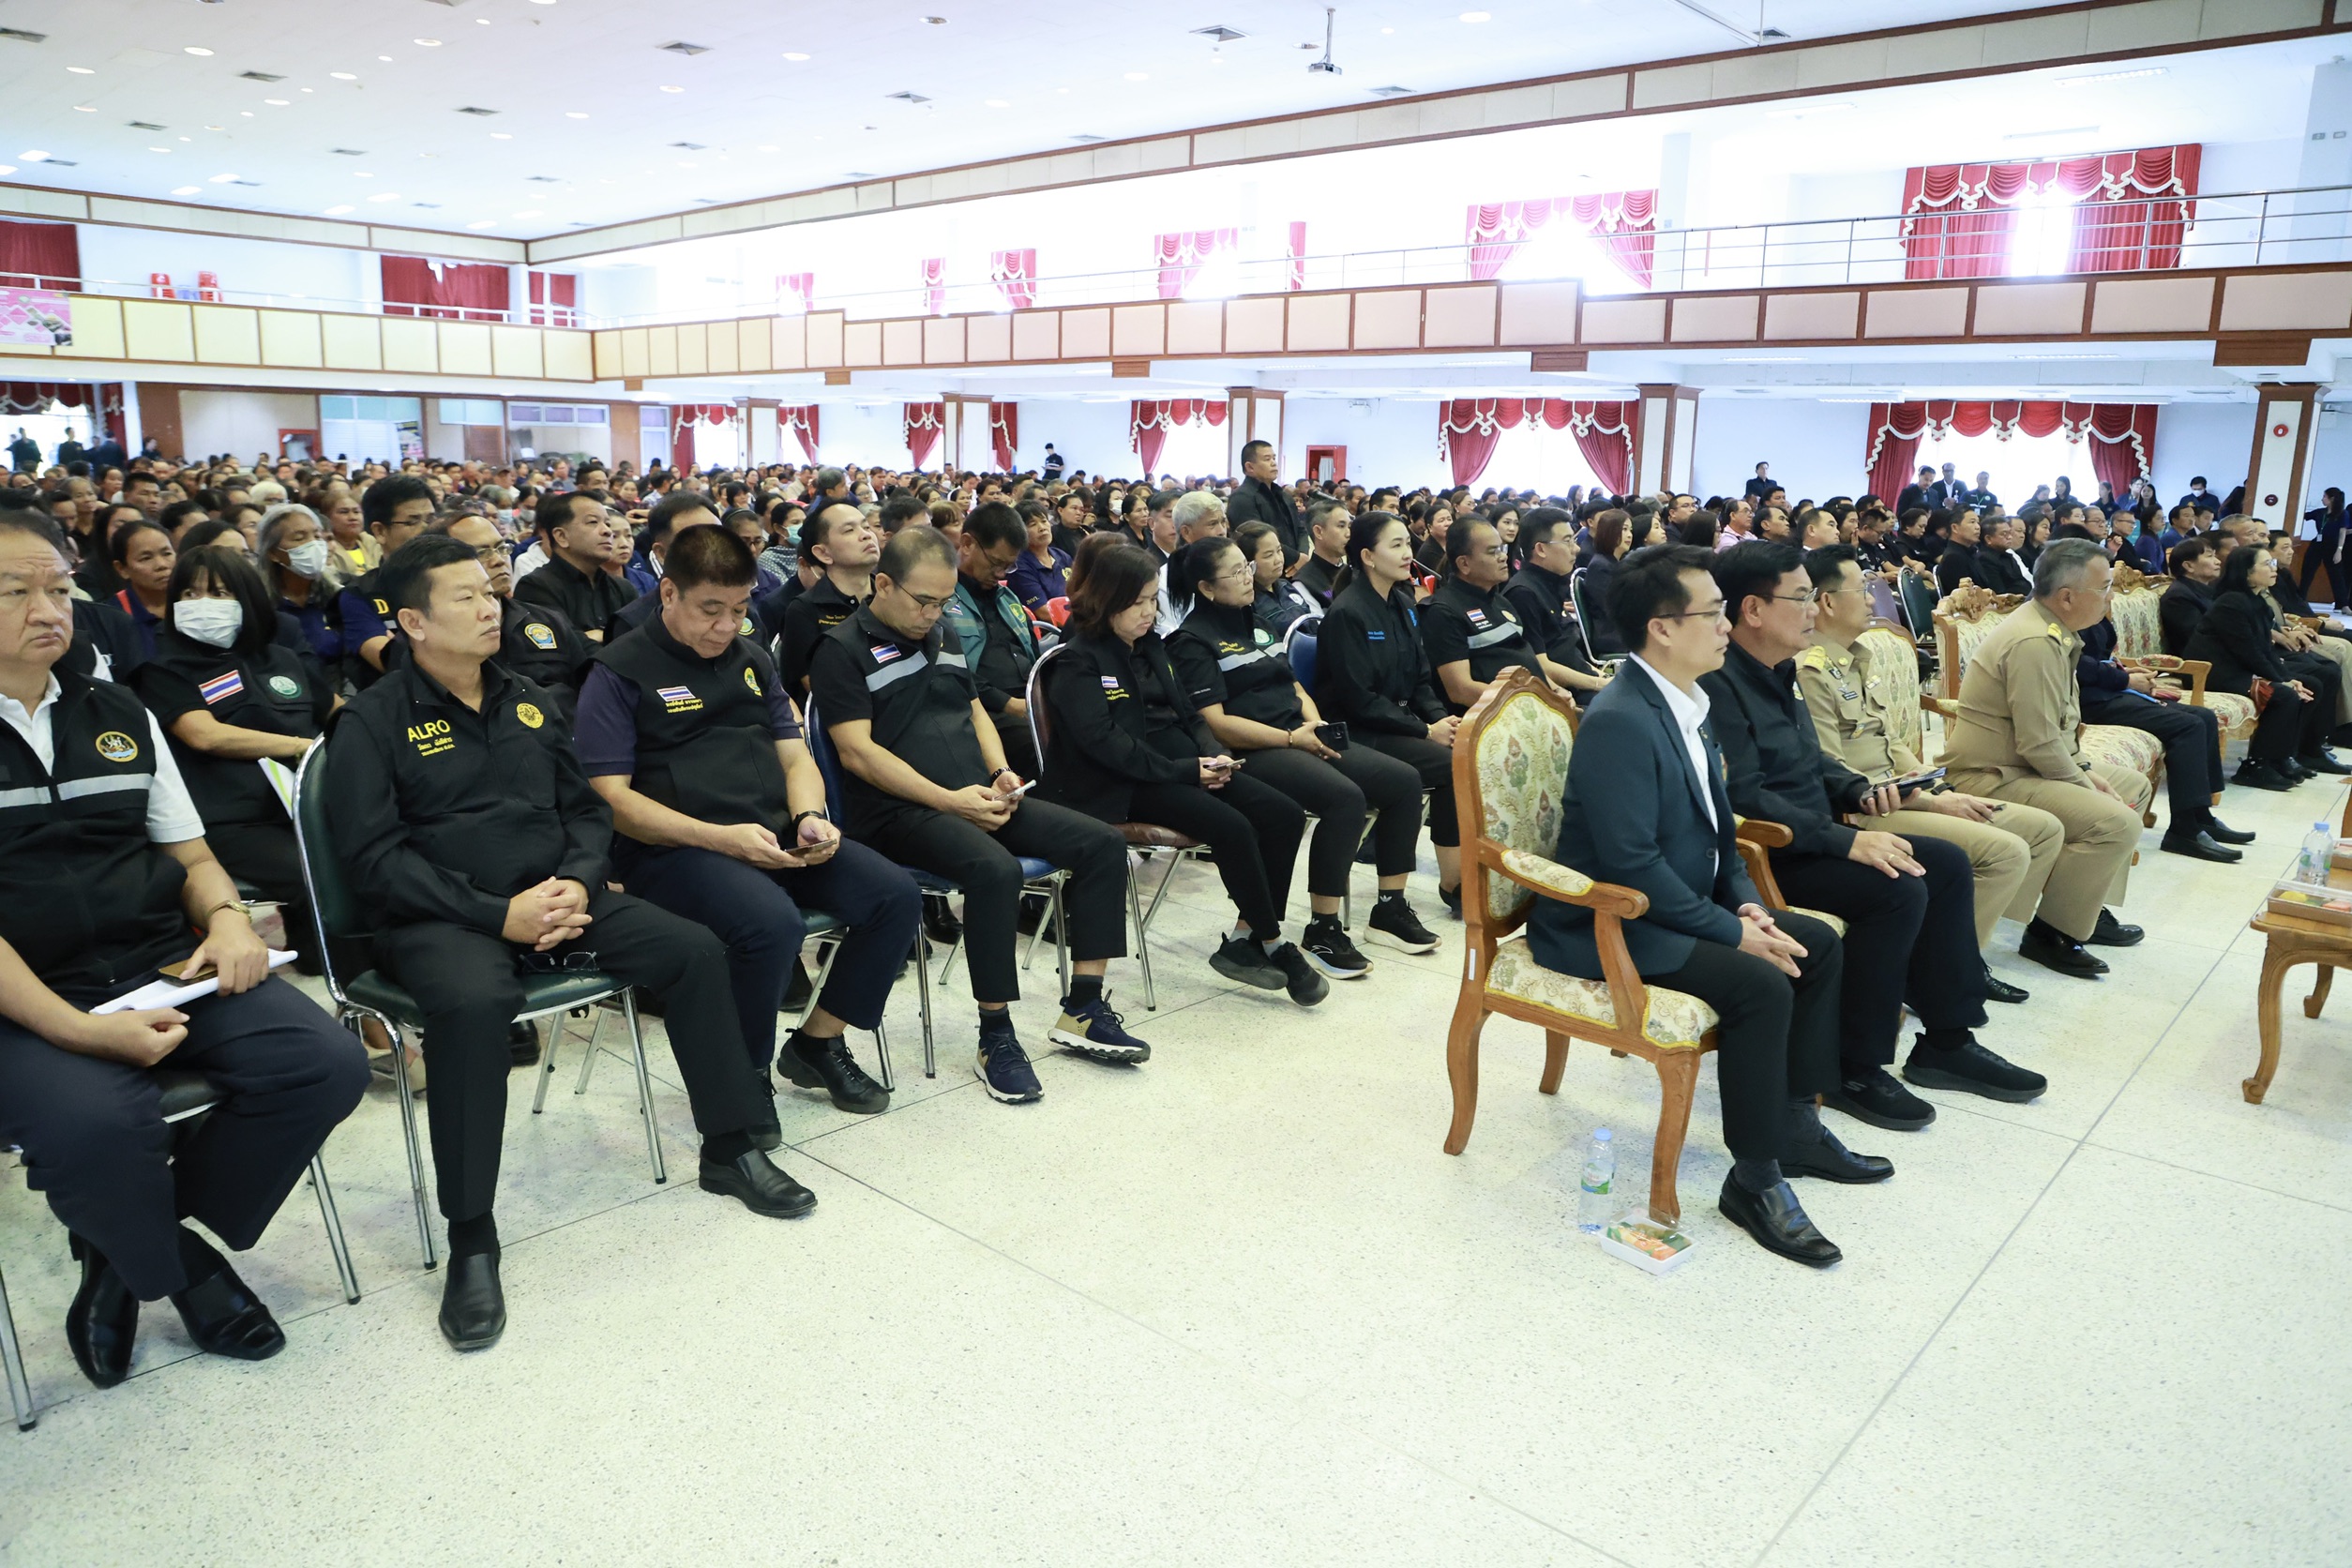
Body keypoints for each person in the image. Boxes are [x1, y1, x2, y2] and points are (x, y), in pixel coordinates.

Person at [328, 534, 812, 1352]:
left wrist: (582, 884)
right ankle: (472, 1238)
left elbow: (587, 810)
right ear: (411, 620)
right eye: (465, 598)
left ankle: (730, 1146)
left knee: (694, 953)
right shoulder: (371, 721)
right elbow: (374, 862)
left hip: (560, 899)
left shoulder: (524, 697)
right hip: (445, 921)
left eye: (490, 593)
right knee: (476, 1008)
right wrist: (498, 915)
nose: (490, 607)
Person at [0, 509, 368, 1389]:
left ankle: (125, 1243)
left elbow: (191, 854)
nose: (49, 607)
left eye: (60, 587)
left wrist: (230, 920)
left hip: (154, 960)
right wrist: (81, 1033)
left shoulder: (116, 709)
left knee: (322, 1064)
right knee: (97, 1121)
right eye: (18, 591)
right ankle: (179, 1271)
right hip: (26, 993)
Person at [1525, 542, 1863, 1265]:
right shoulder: (1622, 717)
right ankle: (1755, 1177)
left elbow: (1718, 832)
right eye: (1711, 613)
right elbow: (1630, 863)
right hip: (1605, 919)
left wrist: (1745, 907)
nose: (1723, 626)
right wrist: (1732, 937)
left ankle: (1794, 1122)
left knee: (1819, 945)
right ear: (1662, 628)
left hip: (1672, 898)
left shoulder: (1690, 700)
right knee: (1758, 985)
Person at [577, 524, 919, 1119]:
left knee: (894, 896)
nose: (725, 626)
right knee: (770, 925)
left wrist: (811, 815)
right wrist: (719, 839)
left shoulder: (752, 658)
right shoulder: (619, 670)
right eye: (710, 610)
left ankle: (818, 1042)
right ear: (668, 595)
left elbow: (795, 756)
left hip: (770, 835)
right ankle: (745, 1075)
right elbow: (612, 800)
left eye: (738, 610)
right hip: (674, 850)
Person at [1704, 542, 2036, 1130]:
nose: (1813, 610)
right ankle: (1855, 1066)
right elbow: (1744, 796)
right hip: (1764, 854)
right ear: (1753, 609)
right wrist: (1846, 842)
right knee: (1897, 887)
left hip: (1811, 834)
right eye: (1801, 598)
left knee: (1946, 863)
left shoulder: (1782, 671)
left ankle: (1947, 1041)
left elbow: (1810, 765)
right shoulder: (1719, 683)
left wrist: (1856, 787)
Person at [809, 524, 1150, 1094]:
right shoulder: (841, 651)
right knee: (996, 870)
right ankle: (995, 1035)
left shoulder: (941, 635)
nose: (933, 613)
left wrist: (999, 774)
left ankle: (1085, 1008)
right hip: (897, 812)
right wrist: (949, 801)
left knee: (1101, 843)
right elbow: (857, 753)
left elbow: (975, 712)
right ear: (883, 584)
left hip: (974, 795)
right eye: (923, 601)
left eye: (943, 602)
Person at [1039, 544, 1327, 1005]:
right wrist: (1186, 772)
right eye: (1137, 603)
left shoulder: (1151, 645)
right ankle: (1272, 942)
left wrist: (1213, 756)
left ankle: (1245, 936)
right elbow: (1108, 746)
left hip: (1184, 767)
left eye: (1154, 599)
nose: (1149, 612)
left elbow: (1191, 713)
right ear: (1108, 600)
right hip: (1121, 784)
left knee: (1285, 814)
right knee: (1232, 827)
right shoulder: (1078, 660)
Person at [1796, 544, 2065, 999]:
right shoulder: (1811, 669)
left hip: (1904, 790)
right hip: (1867, 807)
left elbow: (1888, 740)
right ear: (1826, 602)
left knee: (2042, 829)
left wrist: (1932, 783)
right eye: (1862, 590)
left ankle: (1961, 949)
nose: (1870, 600)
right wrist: (1929, 799)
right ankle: (1943, 973)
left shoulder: (1854, 657)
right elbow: (1831, 768)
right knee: (2005, 852)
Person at [1169, 536, 1437, 970]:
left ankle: (1389, 907)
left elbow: (1293, 685)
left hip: (1301, 733)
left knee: (1403, 782)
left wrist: (1313, 725)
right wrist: (1292, 738)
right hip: (1257, 748)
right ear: (1205, 588)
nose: (1247, 577)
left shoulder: (1257, 620)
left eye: (1247, 568)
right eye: (1236, 572)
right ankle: (1324, 930)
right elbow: (1216, 723)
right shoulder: (1192, 641)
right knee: (1344, 798)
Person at [1939, 540, 2154, 978]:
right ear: (2068, 596)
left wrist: (2086, 771)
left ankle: (2082, 907)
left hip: (2022, 765)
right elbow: (2038, 743)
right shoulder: (2035, 639)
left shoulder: (2052, 628)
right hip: (1989, 775)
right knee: (2115, 819)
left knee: (2133, 786)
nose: (2111, 595)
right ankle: (2053, 933)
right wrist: (2081, 782)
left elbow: (2058, 729)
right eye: (2105, 586)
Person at [135, 545, 339, 972]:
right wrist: (303, 747)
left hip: (305, 806)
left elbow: (337, 710)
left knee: (379, 855)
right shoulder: (163, 671)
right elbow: (204, 735)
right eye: (189, 594)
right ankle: (355, 990)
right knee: (323, 872)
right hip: (231, 823)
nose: (202, 605)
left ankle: (329, 962)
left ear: (246, 599)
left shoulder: (279, 658)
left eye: (219, 592)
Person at [1313, 511, 1465, 915]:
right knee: (1446, 768)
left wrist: (1439, 719)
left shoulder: (1402, 603)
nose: (1407, 553)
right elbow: (1359, 700)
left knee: (1462, 756)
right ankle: (1442, 886)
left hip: (1397, 723)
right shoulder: (1348, 612)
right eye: (1395, 545)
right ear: (1367, 556)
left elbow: (1420, 679)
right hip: (1356, 730)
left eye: (1407, 544)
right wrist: (1423, 730)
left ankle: (1457, 880)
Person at [2073, 584, 2251, 862]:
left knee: (2202, 716)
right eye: (2103, 587)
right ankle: (2183, 830)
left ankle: (2201, 815)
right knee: (2186, 725)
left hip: (2108, 691)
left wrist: (2124, 670)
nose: (2110, 596)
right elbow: (2078, 666)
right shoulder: (2064, 619)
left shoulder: (2091, 615)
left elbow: (2100, 659)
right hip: (2090, 703)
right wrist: (2126, 680)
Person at [2183, 543, 2343, 792]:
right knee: (2283, 695)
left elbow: (2265, 651)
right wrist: (2282, 681)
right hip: (2215, 673)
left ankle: (2280, 758)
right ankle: (2256, 766)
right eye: (2267, 564)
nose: (2274, 569)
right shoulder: (2232, 603)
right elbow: (2248, 652)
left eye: (2273, 564)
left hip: (2238, 669)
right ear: (2247, 572)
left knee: (2310, 685)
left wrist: (2287, 676)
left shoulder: (2256, 602)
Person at [1422, 518, 1604, 713]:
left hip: (1534, 704)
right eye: (1492, 552)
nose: (1502, 557)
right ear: (1464, 563)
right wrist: (1538, 701)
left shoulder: (1499, 601)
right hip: (1496, 718)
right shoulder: (1443, 611)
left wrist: (1555, 689)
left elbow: (1529, 660)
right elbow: (1461, 690)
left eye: (1501, 549)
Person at [429, 515, 594, 724]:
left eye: (501, 548)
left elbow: (593, 680)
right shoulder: (434, 638)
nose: (499, 560)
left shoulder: (547, 620)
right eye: (481, 553)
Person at [943, 501, 1042, 777]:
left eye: (1009, 567)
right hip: (981, 711)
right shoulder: (940, 598)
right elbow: (950, 671)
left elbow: (1034, 659)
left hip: (1027, 702)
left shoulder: (1008, 598)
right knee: (1045, 745)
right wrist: (1008, 704)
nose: (1001, 574)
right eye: (997, 563)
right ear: (967, 544)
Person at [333, 475, 435, 690]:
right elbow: (393, 663)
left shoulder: (458, 580)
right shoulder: (358, 595)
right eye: (412, 521)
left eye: (431, 519)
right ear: (379, 531)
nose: (428, 530)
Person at [512, 490, 637, 642]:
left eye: (607, 523)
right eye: (593, 522)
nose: (607, 531)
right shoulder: (536, 587)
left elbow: (642, 642)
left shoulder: (623, 588)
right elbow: (562, 651)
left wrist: (598, 636)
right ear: (561, 537)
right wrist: (614, 637)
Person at [776, 502, 874, 695]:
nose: (866, 534)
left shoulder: (893, 593)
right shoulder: (804, 610)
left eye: (867, 526)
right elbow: (821, 689)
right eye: (849, 530)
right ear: (823, 553)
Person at [105, 517, 176, 660]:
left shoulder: (194, 604)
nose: (161, 565)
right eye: (146, 558)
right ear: (122, 569)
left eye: (167, 553)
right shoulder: (110, 617)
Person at [1234, 519, 1316, 638]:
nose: (1278, 559)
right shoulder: (1247, 601)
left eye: (1279, 551)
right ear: (1249, 562)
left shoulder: (1286, 586)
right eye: (1269, 555)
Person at [1225, 439, 1302, 565]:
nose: (1274, 463)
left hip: (1295, 566)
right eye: (1267, 459)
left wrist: (1301, 556)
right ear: (1250, 467)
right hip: (1265, 567)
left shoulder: (1282, 494)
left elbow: (1300, 527)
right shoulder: (1241, 498)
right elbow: (1255, 538)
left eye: (1274, 458)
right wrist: (1296, 558)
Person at [1008, 502, 1071, 613]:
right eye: (1032, 524)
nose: (1042, 528)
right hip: (1050, 628)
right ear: (1020, 532)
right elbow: (1044, 612)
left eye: (1044, 521)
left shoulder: (1062, 556)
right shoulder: (1019, 565)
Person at [1292, 499, 1349, 607]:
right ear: (1318, 532)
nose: (1348, 533)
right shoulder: (1304, 583)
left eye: (1349, 526)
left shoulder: (1355, 572)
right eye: (1341, 526)